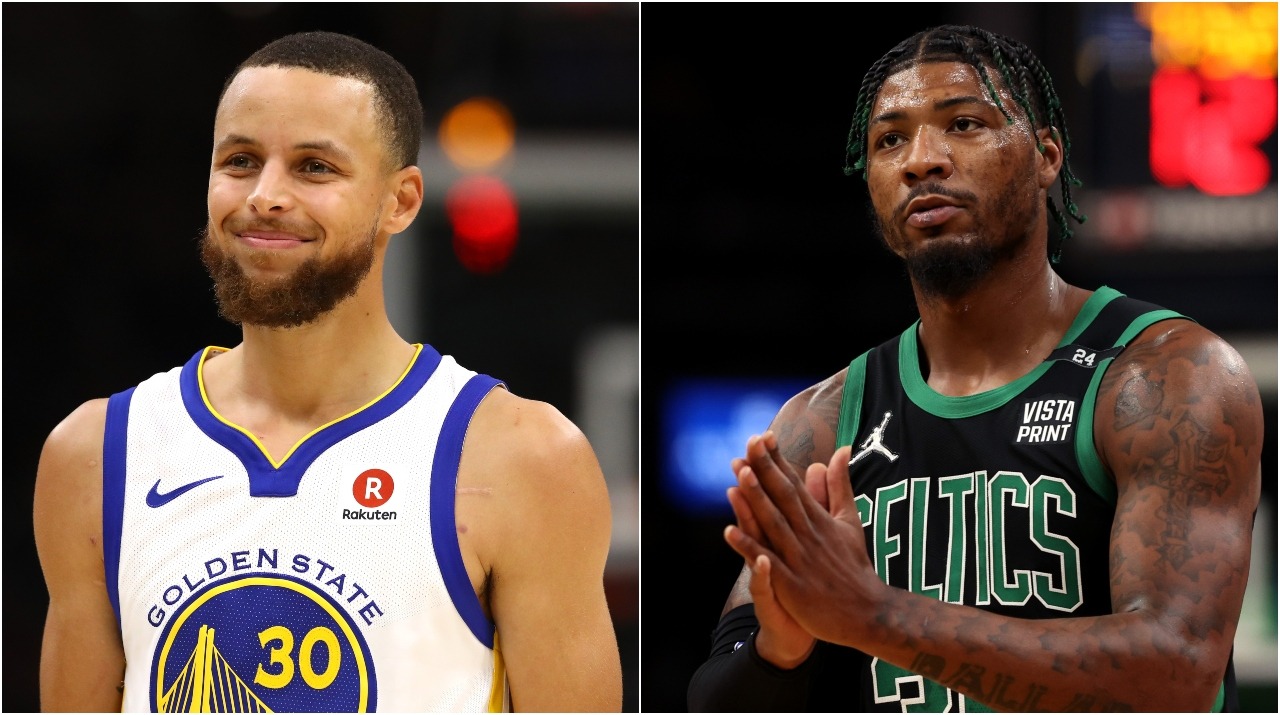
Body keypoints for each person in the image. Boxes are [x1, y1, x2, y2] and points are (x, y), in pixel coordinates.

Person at [33, 30, 623, 713]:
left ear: (400, 201)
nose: (265, 195)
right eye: (241, 160)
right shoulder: (93, 455)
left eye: (314, 167)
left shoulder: (523, 458)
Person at [687, 24, 1262, 713]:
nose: (921, 160)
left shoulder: (1165, 375)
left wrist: (872, 614)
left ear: (1047, 155)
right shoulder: (823, 420)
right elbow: (715, 700)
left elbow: (1179, 672)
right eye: (890, 140)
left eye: (963, 123)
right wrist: (781, 644)